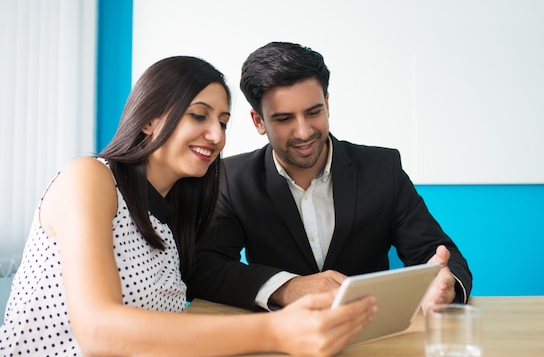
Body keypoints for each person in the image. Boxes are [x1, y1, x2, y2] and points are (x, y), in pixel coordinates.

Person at [0, 56, 376, 357]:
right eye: (199, 115)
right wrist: (276, 330)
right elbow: (100, 332)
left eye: (223, 122)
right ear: (148, 119)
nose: (216, 136)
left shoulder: (169, 217)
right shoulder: (89, 178)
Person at [186, 42, 473, 313]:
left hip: (372, 335)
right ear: (258, 121)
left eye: (313, 112)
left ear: (327, 102)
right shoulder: (233, 179)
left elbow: (435, 252)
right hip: (283, 342)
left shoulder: (383, 168)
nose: (303, 132)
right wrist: (287, 287)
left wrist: (444, 284)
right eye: (284, 119)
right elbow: (207, 267)